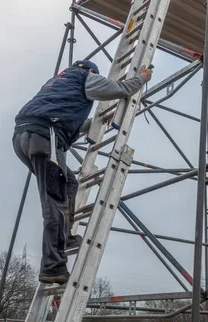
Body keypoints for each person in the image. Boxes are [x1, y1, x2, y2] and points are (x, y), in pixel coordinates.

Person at [13, 60, 153, 284]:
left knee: (68, 183)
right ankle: (53, 267)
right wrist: (142, 78)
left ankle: (65, 238)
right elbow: (122, 89)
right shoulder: (84, 76)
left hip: (25, 137)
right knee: (55, 203)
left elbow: (69, 124)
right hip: (45, 138)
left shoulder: (56, 84)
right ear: (90, 72)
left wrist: (97, 123)